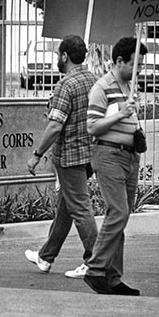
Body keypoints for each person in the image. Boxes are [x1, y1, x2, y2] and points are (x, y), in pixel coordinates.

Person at [24, 35, 98, 279]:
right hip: (89, 155)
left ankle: (95, 261)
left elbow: (55, 125)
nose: (57, 59)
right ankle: (46, 256)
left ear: (65, 56)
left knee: (80, 209)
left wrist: (37, 155)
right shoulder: (93, 80)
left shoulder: (66, 85)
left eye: (58, 55)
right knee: (66, 208)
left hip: (70, 157)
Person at [83, 37, 147, 296]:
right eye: (135, 64)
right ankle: (96, 268)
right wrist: (121, 114)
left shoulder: (130, 86)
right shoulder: (103, 87)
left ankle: (112, 276)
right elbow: (92, 127)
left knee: (121, 217)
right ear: (119, 61)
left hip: (129, 156)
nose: (139, 69)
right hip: (109, 154)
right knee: (118, 212)